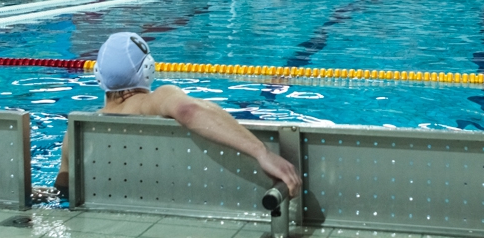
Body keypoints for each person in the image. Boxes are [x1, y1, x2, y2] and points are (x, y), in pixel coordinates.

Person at [51, 32, 301, 199]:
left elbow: (63, 189)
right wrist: (262, 152)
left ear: (98, 76)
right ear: (148, 70)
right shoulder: (153, 101)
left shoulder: (75, 133)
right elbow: (188, 110)